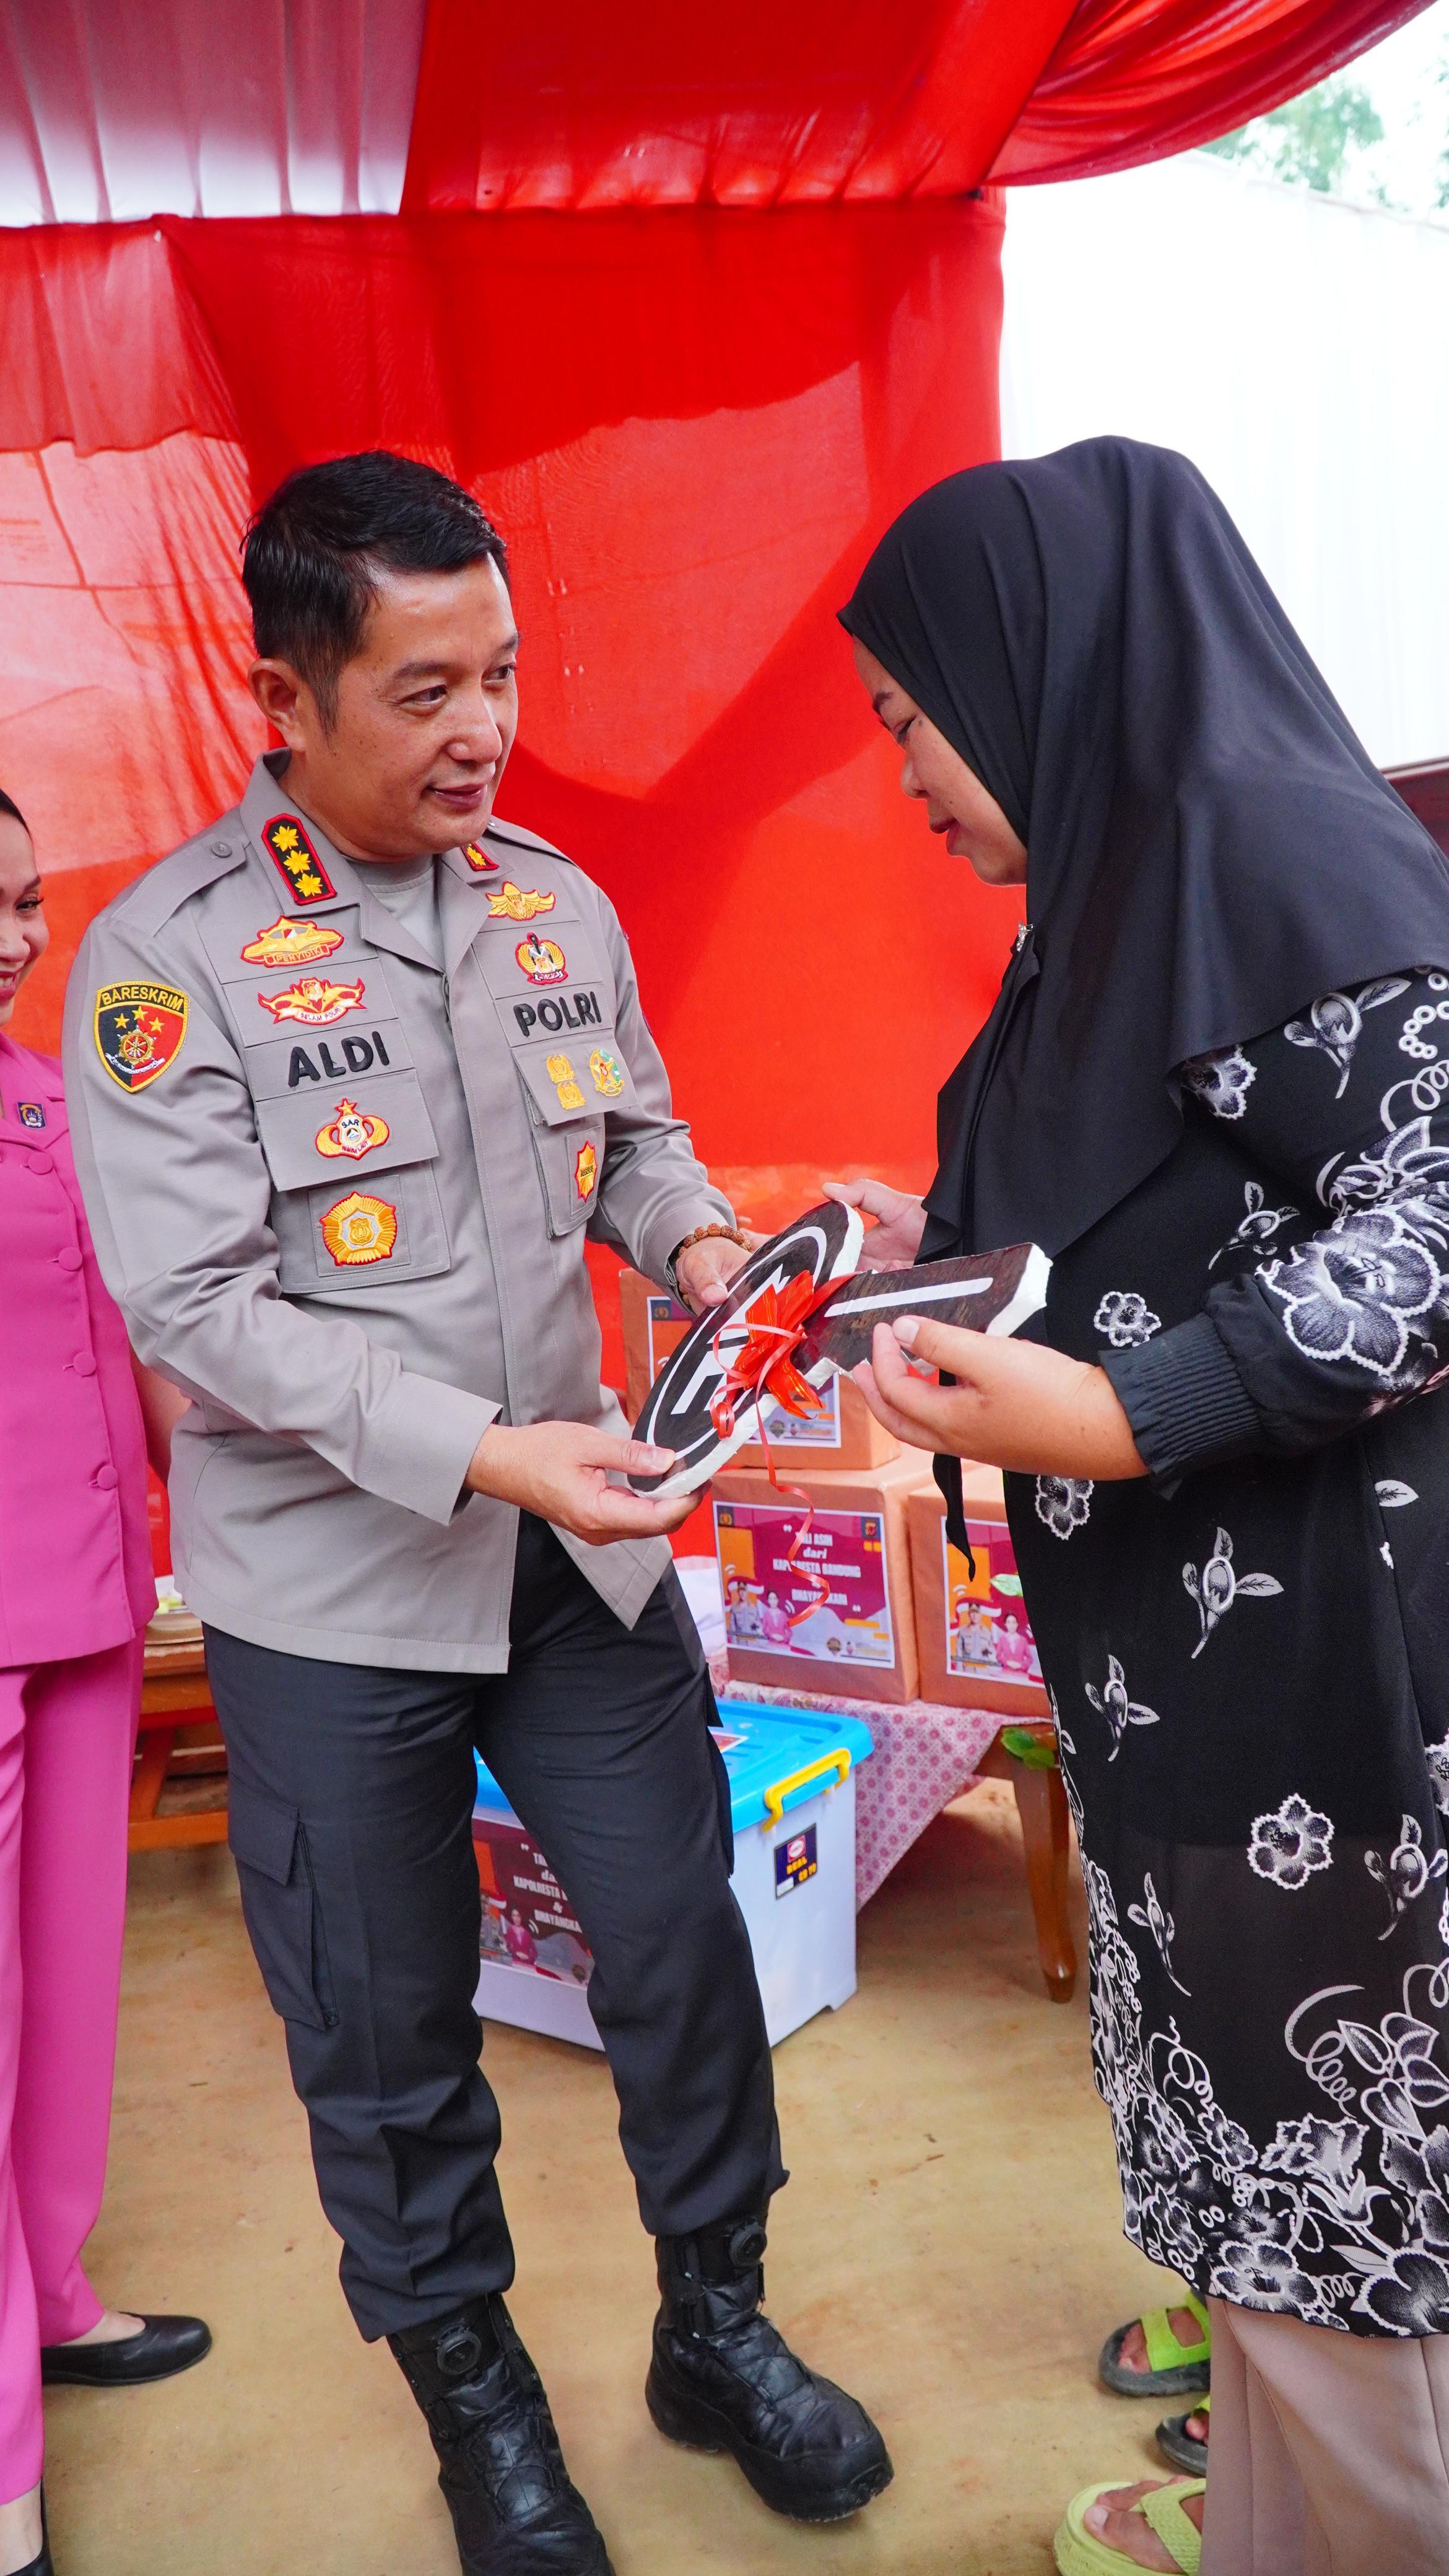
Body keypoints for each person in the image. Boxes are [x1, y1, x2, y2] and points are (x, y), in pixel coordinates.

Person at [63, 452, 890, 2576]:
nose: (482, 729)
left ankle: (715, 2331)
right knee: (386, 2025)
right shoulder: (167, 966)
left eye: (504, 675)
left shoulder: (556, 900)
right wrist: (484, 1448)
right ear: (285, 693)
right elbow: (193, 1305)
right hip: (334, 1598)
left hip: (578, 1554)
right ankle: (483, 2412)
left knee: (681, 1946)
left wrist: (708, 1256)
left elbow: (638, 1141)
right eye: (424, 690)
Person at [830, 438, 1449, 2576]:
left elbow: (1439, 1211)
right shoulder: (1100, 915)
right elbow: (1096, 1226)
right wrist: (892, 1287)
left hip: (1327, 1716)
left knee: (1352, 2260)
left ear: (1035, 666)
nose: (900, 768)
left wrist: (1130, 1410)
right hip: (1184, 1701)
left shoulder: (1271, 855)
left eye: (910, 713)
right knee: (1268, 2257)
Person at [0, 790, 210, 2576]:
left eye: (23, 900)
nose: (14, 938)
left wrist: (211, 1523)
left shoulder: (57, 1096)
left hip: (84, 1594)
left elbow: (130, 1317)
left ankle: (53, 2295)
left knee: (67, 1995)